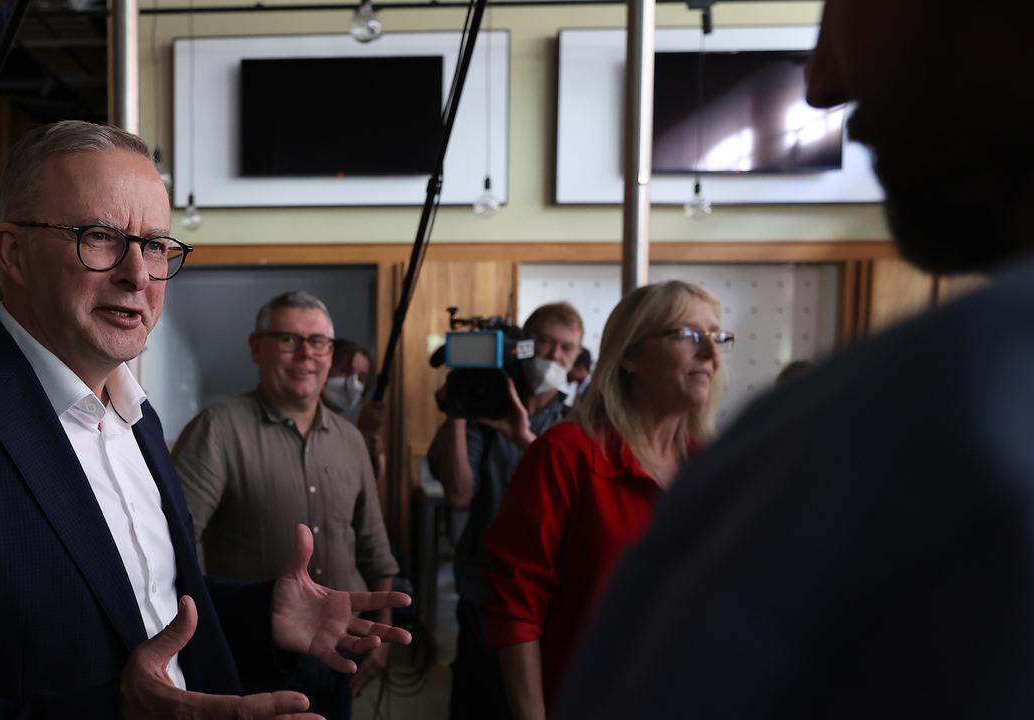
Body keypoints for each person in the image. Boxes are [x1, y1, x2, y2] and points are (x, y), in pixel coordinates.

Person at [0, 121, 410, 720]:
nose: (138, 273)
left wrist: (260, 615)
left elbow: (138, 601)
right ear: (13, 252)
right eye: (100, 237)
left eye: (154, 245)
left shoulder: (135, 415)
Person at [559, 1, 1034, 717]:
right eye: (688, 336)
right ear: (629, 356)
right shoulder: (592, 455)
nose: (821, 81)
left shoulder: (912, 431)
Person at [483, 281, 730, 719]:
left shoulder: (709, 467)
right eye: (690, 335)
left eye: (718, 336)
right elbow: (516, 608)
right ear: (630, 355)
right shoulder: (566, 454)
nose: (712, 355)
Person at [171, 291, 400, 717]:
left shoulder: (352, 441)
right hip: (257, 658)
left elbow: (375, 549)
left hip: (340, 653)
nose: (305, 355)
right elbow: (171, 551)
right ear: (257, 348)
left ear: (330, 354)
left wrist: (381, 639)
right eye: (288, 340)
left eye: (317, 342)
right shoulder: (217, 431)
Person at [427, 301, 583, 720]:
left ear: (576, 358)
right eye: (546, 342)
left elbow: (579, 500)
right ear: (523, 346)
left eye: (567, 348)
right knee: (476, 701)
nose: (554, 355)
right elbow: (459, 495)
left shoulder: (577, 424)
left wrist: (522, 436)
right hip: (483, 588)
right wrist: (458, 409)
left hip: (551, 595)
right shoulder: (481, 410)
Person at [322, 338, 387, 489]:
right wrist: (363, 434)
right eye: (344, 371)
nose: (352, 384)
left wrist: (374, 454)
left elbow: (364, 485)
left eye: (361, 378)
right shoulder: (304, 419)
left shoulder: (342, 428)